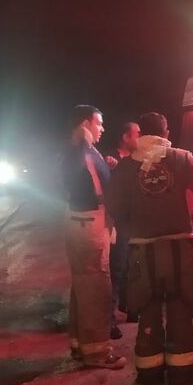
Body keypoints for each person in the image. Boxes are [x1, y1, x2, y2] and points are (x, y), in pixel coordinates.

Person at [106, 112, 193, 385]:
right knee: (180, 311)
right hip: (179, 251)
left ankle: (149, 375)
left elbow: (116, 210)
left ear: (140, 134)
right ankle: (182, 374)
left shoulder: (125, 167)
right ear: (166, 132)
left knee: (148, 313)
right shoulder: (183, 158)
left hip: (143, 253)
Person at [60, 105, 126, 370]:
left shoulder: (79, 151)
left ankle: (80, 345)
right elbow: (84, 182)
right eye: (98, 123)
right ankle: (98, 353)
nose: (102, 129)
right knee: (96, 288)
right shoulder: (79, 150)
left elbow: (90, 179)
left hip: (81, 222)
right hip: (89, 224)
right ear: (85, 124)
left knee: (83, 287)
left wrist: (107, 166)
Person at [105, 122, 141, 332]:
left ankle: (130, 307)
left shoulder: (137, 159)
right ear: (126, 137)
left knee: (133, 267)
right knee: (116, 269)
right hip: (117, 223)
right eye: (137, 134)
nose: (141, 137)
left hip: (134, 223)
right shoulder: (109, 160)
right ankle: (108, 318)